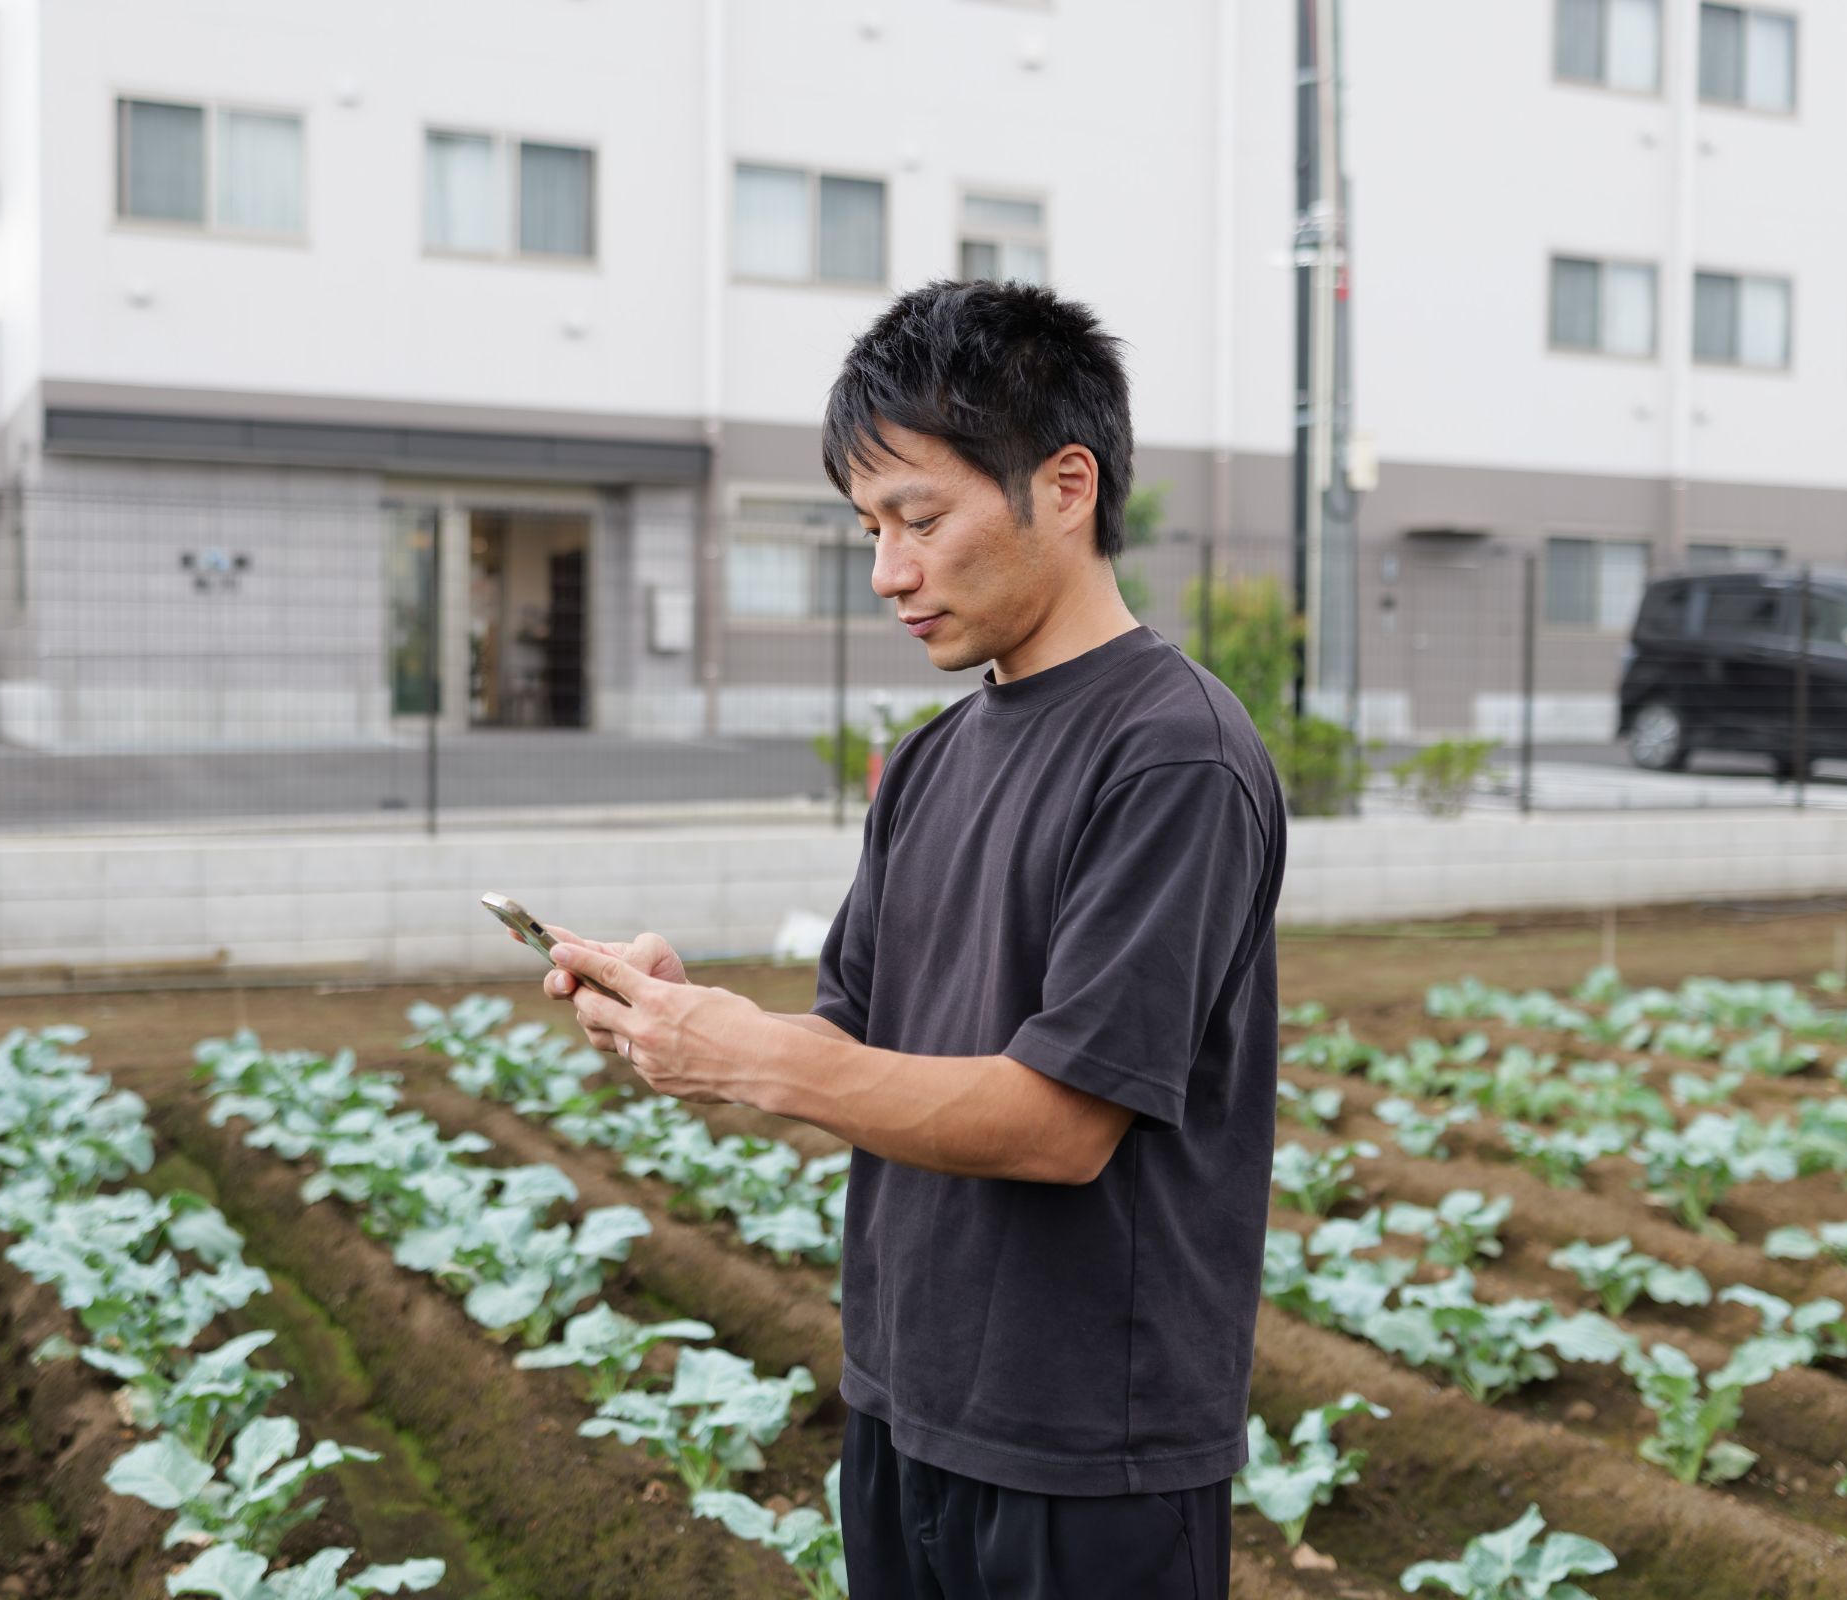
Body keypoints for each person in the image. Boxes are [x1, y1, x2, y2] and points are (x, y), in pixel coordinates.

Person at [541, 278, 1287, 1598]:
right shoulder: (938, 759)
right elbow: (857, 1037)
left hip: (1084, 1453)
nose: (889, 571)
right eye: (867, 528)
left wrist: (752, 1062)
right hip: (904, 1402)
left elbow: (1060, 1125)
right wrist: (693, 1020)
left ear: (1065, 488)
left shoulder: (1174, 755)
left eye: (919, 518)